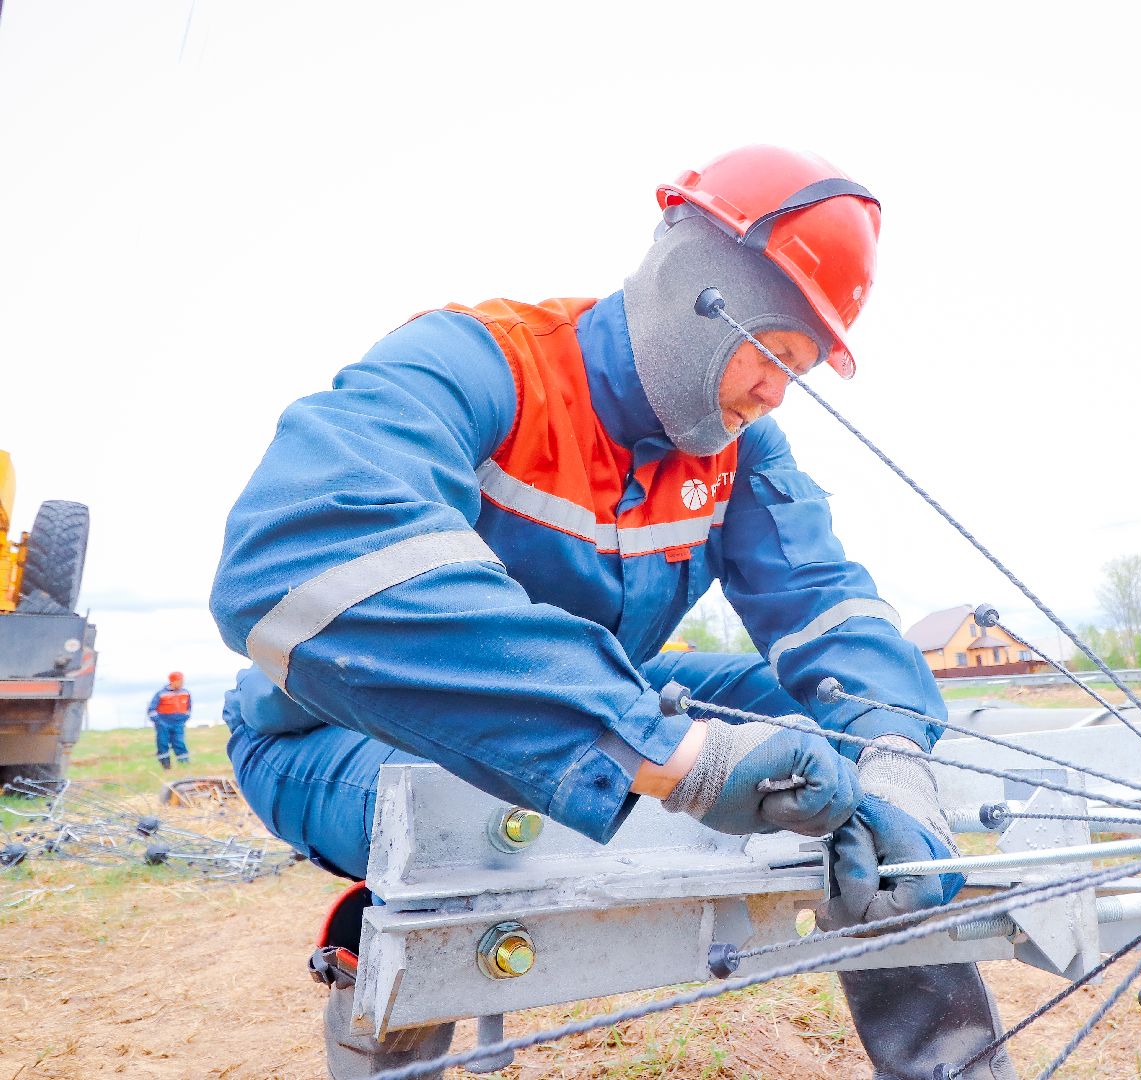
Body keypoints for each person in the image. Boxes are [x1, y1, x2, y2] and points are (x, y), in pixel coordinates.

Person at [210, 145, 1013, 1080]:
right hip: (329, 732)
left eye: (799, 371)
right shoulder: (477, 363)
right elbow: (296, 551)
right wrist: (664, 753)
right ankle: (387, 1038)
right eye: (771, 354)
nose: (775, 392)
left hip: (609, 714)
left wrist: (892, 757)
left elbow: (826, 601)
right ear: (693, 288)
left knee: (846, 763)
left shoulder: (741, 452)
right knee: (462, 807)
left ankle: (949, 1067)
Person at [146, 670, 191, 770]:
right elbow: (151, 710)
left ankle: (184, 765)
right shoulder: (161, 694)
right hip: (163, 724)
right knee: (162, 744)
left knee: (179, 743)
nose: (182, 683)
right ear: (172, 681)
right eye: (179, 681)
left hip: (179, 724)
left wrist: (184, 718)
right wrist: (159, 721)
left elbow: (188, 708)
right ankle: (166, 767)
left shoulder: (186, 693)